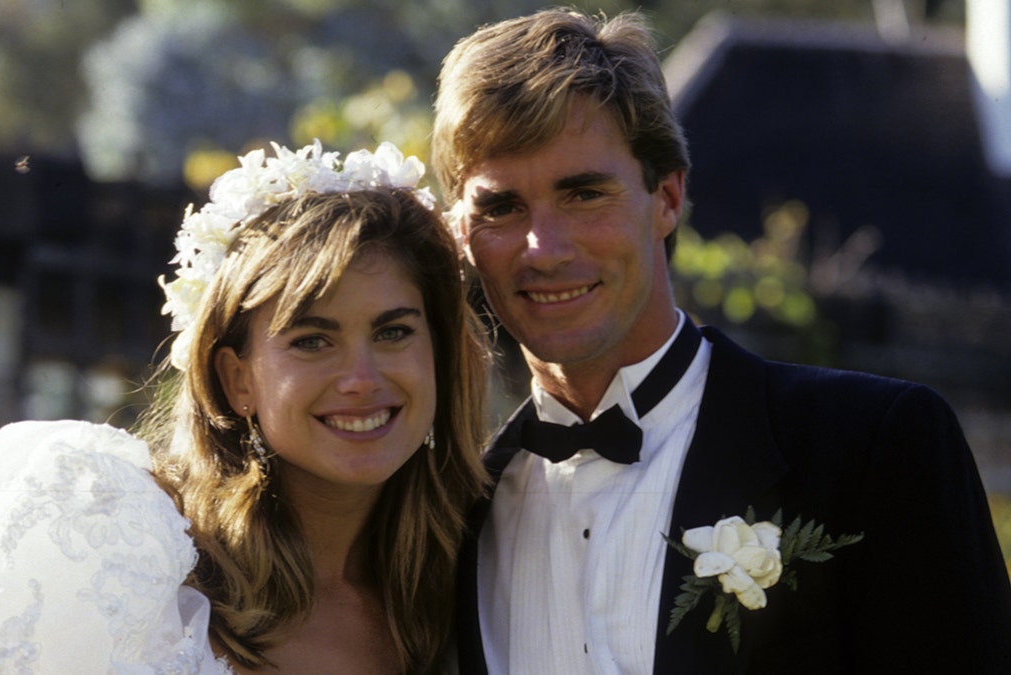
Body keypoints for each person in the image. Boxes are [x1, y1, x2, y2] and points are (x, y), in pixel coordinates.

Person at [432, 8, 1011, 674]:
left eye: (584, 193)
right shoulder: (451, 520)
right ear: (460, 235)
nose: (545, 249)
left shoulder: (874, 447)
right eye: (501, 207)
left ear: (669, 198)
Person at [0, 141, 489, 674]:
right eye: (312, 339)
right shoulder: (107, 556)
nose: (361, 377)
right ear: (237, 380)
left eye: (394, 331)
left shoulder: (474, 580)